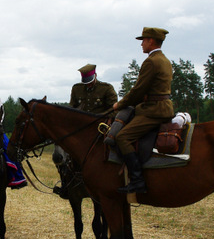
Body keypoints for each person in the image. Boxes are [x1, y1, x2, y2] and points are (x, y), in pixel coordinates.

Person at [112, 27, 174, 194]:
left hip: (154, 111)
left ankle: (137, 181)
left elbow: (138, 90)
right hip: (164, 107)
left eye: (144, 40)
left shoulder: (151, 61)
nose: (141, 44)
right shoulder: (165, 60)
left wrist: (120, 105)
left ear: (151, 41)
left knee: (122, 137)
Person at [54, 64, 117, 199]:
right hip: (81, 129)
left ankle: (112, 180)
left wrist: (97, 118)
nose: (88, 85)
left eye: (90, 81)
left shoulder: (106, 88)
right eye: (86, 82)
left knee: (112, 147)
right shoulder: (77, 89)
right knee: (63, 148)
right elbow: (72, 108)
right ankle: (66, 184)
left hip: (100, 128)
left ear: (95, 76)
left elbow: (114, 109)